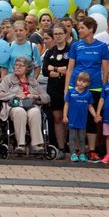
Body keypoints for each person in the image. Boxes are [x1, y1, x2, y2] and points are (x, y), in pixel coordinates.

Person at [65, 17, 109, 162]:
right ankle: (76, 150)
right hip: (75, 87)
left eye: (82, 27)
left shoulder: (102, 46)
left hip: (94, 87)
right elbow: (70, 68)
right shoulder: (76, 46)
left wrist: (103, 88)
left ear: (90, 29)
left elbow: (105, 69)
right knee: (75, 117)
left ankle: (91, 150)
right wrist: (67, 88)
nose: (79, 30)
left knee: (91, 119)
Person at [0, 57, 50, 153]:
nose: (17, 67)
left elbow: (47, 97)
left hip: (30, 105)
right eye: (16, 65)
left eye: (20, 66)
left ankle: (36, 145)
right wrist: (15, 95)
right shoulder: (8, 79)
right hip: (14, 106)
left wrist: (35, 96)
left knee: (35, 112)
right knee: (20, 112)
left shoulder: (33, 81)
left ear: (27, 68)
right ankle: (21, 144)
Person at [42, 24, 70, 159]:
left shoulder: (71, 50)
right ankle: (61, 148)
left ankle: (71, 145)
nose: (58, 36)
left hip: (68, 88)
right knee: (57, 118)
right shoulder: (50, 52)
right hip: (54, 89)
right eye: (56, 34)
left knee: (68, 118)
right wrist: (61, 71)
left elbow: (71, 68)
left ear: (65, 34)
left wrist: (55, 70)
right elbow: (45, 71)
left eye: (60, 33)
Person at [63, 72, 96, 162]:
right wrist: (65, 116)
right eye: (79, 80)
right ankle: (73, 154)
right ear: (76, 81)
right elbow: (66, 104)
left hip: (82, 120)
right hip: (72, 119)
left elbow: (90, 106)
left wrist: (95, 116)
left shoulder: (88, 94)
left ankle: (82, 153)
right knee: (72, 137)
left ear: (88, 83)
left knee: (82, 137)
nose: (81, 83)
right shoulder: (71, 92)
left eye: (84, 81)